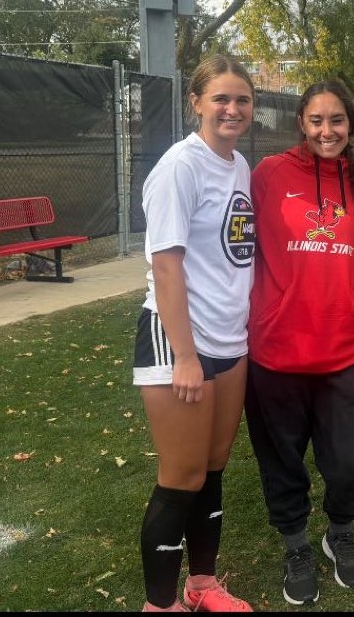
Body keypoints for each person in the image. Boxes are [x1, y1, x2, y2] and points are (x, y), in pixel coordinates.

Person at [244, 80, 354, 606]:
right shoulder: (268, 175)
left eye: (337, 120)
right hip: (277, 349)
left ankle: (338, 532)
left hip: (341, 349)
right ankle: (297, 545)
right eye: (317, 120)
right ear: (301, 122)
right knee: (282, 461)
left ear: (350, 125)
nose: (327, 130)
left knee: (350, 463)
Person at [131, 55, 256, 612]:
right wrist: (185, 355)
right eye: (221, 98)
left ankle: (202, 585)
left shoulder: (239, 164)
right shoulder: (180, 166)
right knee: (180, 476)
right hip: (181, 341)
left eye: (242, 100)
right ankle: (159, 606)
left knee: (212, 468)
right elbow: (165, 266)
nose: (232, 109)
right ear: (196, 102)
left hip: (230, 340)